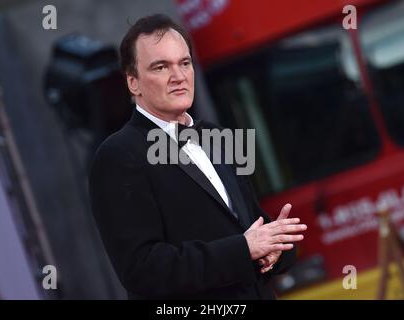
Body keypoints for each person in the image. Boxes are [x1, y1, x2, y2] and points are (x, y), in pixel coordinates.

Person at [88, 14, 307, 299]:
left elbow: (252, 227)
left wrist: (277, 247)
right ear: (133, 83)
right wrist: (244, 250)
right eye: (161, 67)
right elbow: (142, 270)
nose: (178, 76)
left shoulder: (215, 137)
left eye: (185, 63)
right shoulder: (118, 156)